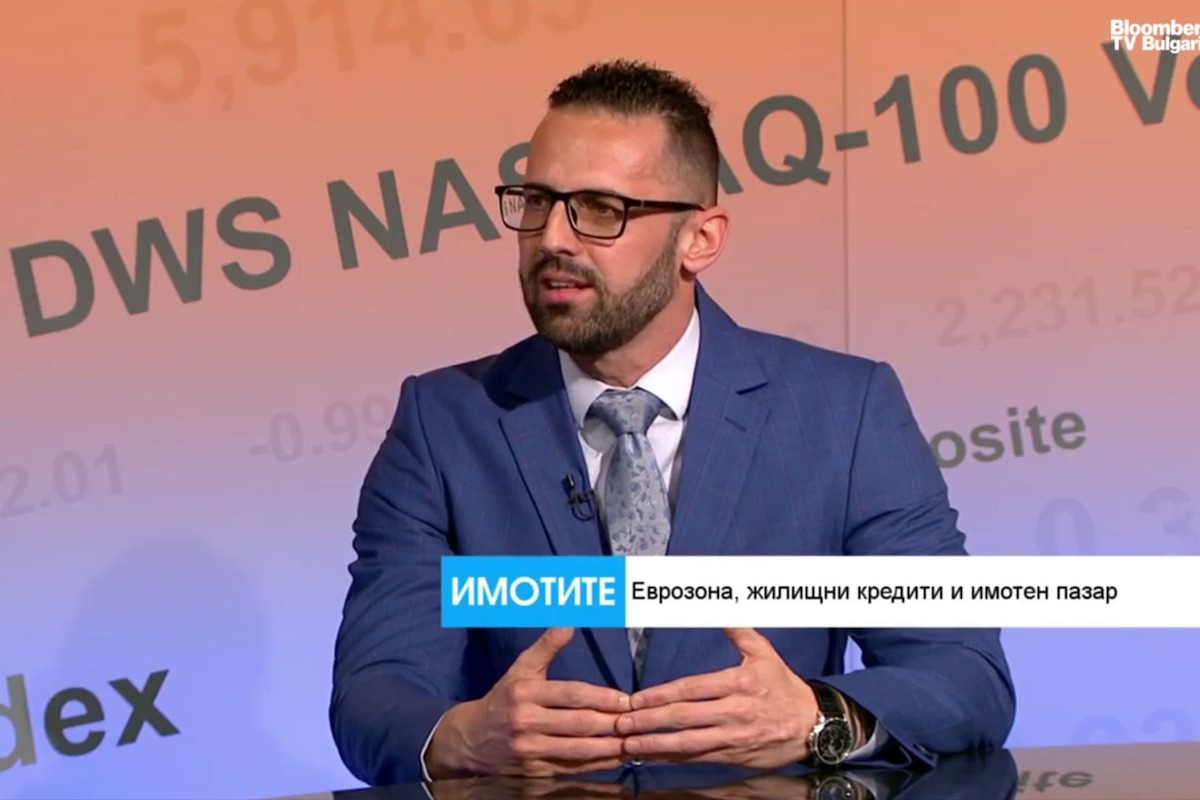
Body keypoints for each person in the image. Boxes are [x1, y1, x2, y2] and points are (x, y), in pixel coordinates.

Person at [329, 59, 1015, 787]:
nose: (553, 238)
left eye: (599, 209)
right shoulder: (444, 423)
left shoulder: (844, 413)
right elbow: (374, 696)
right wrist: (466, 737)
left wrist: (818, 719)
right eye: (537, 201)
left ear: (701, 239)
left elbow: (965, 674)